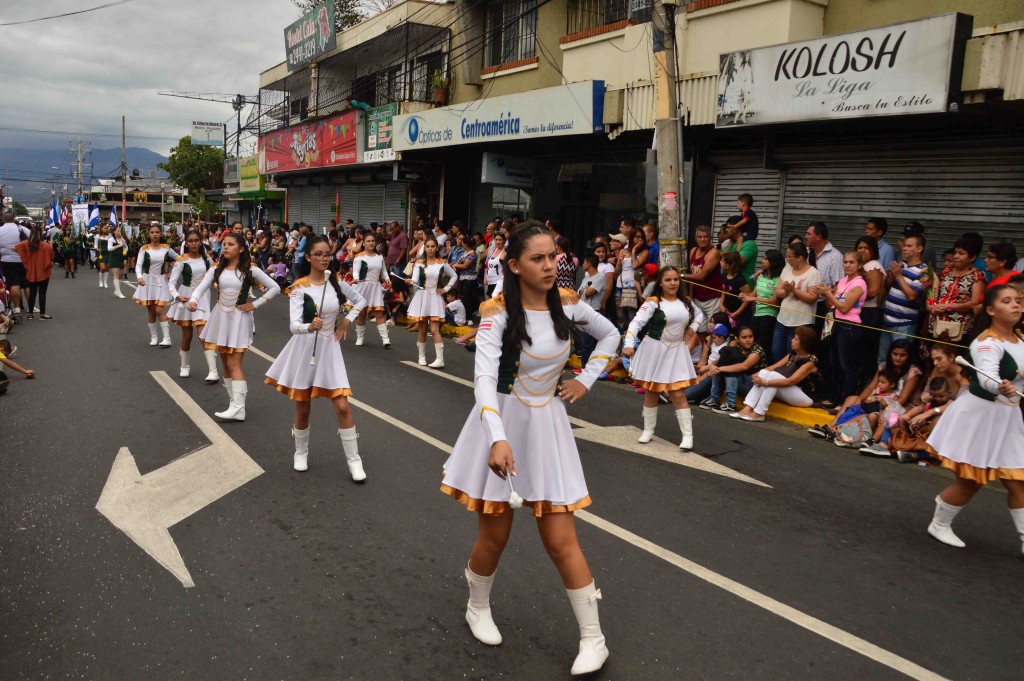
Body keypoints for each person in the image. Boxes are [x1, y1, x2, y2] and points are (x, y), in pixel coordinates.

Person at [439, 221, 617, 676]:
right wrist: (497, 438)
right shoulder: (495, 312)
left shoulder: (569, 303)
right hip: (500, 422)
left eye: (553, 255)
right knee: (494, 537)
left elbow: (611, 337)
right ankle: (477, 605)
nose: (548, 265)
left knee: (561, 540)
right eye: (537, 258)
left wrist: (585, 379)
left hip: (548, 427)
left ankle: (594, 639)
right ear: (515, 266)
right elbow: (482, 378)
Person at [923, 285, 1024, 552]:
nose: (1015, 305)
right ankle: (939, 523)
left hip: (1009, 418)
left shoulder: (1020, 339)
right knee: (972, 480)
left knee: (1019, 480)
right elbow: (986, 376)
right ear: (991, 310)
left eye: (1018, 300)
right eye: (1007, 301)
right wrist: (999, 386)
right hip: (982, 417)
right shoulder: (986, 342)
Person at [264, 236, 369, 480]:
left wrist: (346, 320)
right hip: (304, 349)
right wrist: (308, 327)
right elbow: (293, 325)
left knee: (342, 406)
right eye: (319, 254)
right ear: (308, 257)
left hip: (329, 350)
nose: (324, 258)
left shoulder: (336, 282)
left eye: (327, 254)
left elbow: (361, 301)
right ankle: (300, 452)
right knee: (303, 408)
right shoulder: (299, 287)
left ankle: (354, 461)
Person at [187, 233, 281, 421]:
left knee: (233, 363)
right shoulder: (217, 268)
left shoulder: (250, 270)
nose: (226, 247)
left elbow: (275, 288)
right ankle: (233, 403)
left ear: (241, 249)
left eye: (230, 244)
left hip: (239, 318)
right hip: (220, 317)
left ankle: (239, 407)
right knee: (225, 364)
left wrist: (255, 305)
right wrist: (193, 300)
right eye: (224, 244)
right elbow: (201, 287)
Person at [624, 266, 703, 449]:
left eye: (675, 279)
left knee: (678, 393)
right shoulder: (653, 302)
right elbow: (636, 322)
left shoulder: (686, 302)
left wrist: (692, 328)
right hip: (654, 350)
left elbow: (699, 315)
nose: (673, 283)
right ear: (660, 282)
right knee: (652, 391)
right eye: (668, 280)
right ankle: (648, 430)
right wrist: (628, 343)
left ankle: (687, 436)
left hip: (676, 351)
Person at [733, 326, 820, 422]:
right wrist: (758, 374)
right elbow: (772, 367)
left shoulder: (810, 362)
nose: (792, 340)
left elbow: (791, 381)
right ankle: (747, 408)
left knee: (773, 376)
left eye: (795, 339)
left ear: (804, 343)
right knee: (765, 372)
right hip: (790, 392)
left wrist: (765, 382)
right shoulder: (792, 356)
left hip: (805, 397)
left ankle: (759, 413)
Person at [167, 229, 219, 383]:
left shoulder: (207, 259)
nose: (194, 243)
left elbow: (213, 276)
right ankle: (184, 366)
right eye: (190, 241)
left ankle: (213, 371)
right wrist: (177, 296)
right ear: (186, 243)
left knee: (203, 334)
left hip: (203, 297)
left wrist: (216, 283)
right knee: (187, 335)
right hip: (186, 296)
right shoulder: (181, 260)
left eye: (196, 240)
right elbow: (172, 282)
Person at [816, 251, 867, 403]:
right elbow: (832, 305)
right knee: (835, 363)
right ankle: (833, 398)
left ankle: (846, 400)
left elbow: (845, 308)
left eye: (852, 262)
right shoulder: (843, 280)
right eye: (845, 262)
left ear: (859, 265)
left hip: (849, 326)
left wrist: (829, 294)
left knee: (847, 366)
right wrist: (826, 294)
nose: (847, 265)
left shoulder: (859, 283)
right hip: (835, 323)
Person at [407, 237, 457, 369]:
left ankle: (440, 359)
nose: (430, 249)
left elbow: (454, 276)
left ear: (436, 248)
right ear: (425, 248)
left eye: (432, 246)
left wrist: (446, 289)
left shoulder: (442, 263)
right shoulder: (419, 263)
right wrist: (411, 281)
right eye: (427, 246)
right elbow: (415, 279)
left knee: (434, 329)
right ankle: (421, 356)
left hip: (435, 297)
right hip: (422, 297)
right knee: (422, 328)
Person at [879, 233, 930, 362]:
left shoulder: (925, 271)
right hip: (887, 322)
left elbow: (912, 295)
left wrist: (898, 276)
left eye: (909, 246)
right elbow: (888, 286)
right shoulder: (901, 265)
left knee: (900, 362)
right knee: (883, 361)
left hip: (903, 325)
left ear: (919, 249)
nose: (904, 248)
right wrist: (891, 275)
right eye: (904, 245)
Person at [927, 237, 985, 343]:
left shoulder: (977, 276)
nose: (956, 256)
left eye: (961, 254)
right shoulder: (946, 272)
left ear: (972, 258)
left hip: (959, 328)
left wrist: (948, 307)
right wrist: (932, 305)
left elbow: (974, 303)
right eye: (955, 253)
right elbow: (935, 293)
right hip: (937, 324)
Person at [772, 242, 820, 363]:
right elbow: (778, 291)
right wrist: (787, 292)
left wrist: (794, 290)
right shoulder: (787, 268)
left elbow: (812, 297)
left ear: (800, 258)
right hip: (783, 318)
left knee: (792, 355)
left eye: (789, 256)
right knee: (776, 352)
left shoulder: (813, 273)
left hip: (801, 321)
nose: (787, 259)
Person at [889, 376, 952, 463]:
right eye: (935, 396)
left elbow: (948, 407)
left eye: (941, 396)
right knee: (901, 420)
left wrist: (931, 412)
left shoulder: (950, 403)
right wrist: (908, 416)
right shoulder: (930, 403)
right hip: (920, 432)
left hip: (934, 437)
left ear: (949, 392)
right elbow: (919, 408)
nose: (938, 399)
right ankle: (905, 447)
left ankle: (916, 455)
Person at [133, 224, 176, 347]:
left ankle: (167, 338)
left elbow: (180, 259)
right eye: (152, 232)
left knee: (159, 309)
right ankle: (154, 337)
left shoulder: (166, 248)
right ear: (149, 235)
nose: (155, 234)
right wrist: (139, 277)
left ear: (161, 234)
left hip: (161, 281)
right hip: (147, 281)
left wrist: (171, 272)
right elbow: (138, 265)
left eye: (157, 232)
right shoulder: (144, 248)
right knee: (151, 310)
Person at [351, 232, 392, 348]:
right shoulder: (359, 257)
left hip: (375, 287)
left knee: (379, 313)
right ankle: (360, 338)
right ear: (363, 243)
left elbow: (384, 271)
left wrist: (387, 279)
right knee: (362, 313)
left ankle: (385, 339)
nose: (371, 243)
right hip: (363, 287)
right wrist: (356, 278)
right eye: (368, 241)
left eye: (373, 241)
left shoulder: (379, 257)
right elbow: (356, 271)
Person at [742, 249, 783, 360]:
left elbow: (774, 302)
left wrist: (753, 298)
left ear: (773, 262)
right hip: (757, 313)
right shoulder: (761, 276)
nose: (762, 261)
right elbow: (753, 293)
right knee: (753, 343)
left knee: (764, 344)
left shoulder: (778, 279)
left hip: (769, 315)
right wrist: (744, 295)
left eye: (766, 259)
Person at [854, 237, 885, 383]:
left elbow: (873, 291)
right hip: (859, 312)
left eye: (866, 248)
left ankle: (863, 384)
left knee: (865, 352)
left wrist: (850, 296)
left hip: (869, 313)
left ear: (873, 250)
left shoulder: (873, 265)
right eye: (859, 247)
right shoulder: (860, 266)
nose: (862, 250)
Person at [682, 225, 723, 336]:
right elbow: (692, 276)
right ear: (695, 238)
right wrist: (691, 296)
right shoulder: (693, 251)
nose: (702, 239)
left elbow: (701, 276)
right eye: (699, 237)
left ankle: (710, 353)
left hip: (712, 298)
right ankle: (701, 353)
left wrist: (680, 275)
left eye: (705, 237)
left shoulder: (713, 252)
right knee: (699, 330)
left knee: (713, 331)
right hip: (698, 298)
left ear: (710, 238)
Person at [577, 254, 608, 366]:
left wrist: (583, 291)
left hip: (593, 311)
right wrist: (584, 291)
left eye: (584, 262)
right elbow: (577, 294)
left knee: (587, 342)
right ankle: (586, 366)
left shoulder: (600, 277)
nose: (583, 264)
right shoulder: (586, 278)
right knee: (584, 341)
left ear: (589, 263)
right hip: (583, 311)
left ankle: (586, 367)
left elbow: (589, 293)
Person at [0, 212, 30, 322]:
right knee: (27, 284)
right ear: (14, 219)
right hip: (23, 260)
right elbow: (33, 241)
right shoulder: (23, 229)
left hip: (6, 261)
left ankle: (17, 307)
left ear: (4, 219)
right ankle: (31, 307)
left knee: (14, 284)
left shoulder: (1, 230)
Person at [719, 251, 752, 329]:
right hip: (728, 310)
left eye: (722, 261)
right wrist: (721, 305)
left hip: (740, 315)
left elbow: (748, 298)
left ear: (727, 265)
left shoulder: (740, 280)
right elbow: (724, 291)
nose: (720, 262)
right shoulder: (724, 275)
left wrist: (737, 312)